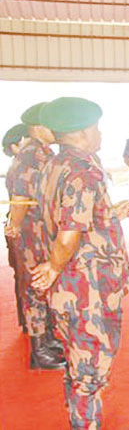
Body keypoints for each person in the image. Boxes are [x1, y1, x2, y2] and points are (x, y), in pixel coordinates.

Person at [31, 97, 129, 430]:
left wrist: (109, 214)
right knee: (91, 368)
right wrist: (54, 265)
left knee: (77, 361)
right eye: (96, 127)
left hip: (72, 287)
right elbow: (68, 236)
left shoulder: (56, 164)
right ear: (81, 132)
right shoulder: (82, 170)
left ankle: (78, 414)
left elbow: (72, 216)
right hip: (88, 289)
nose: (100, 133)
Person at [5, 103, 65, 370]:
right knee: (35, 288)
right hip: (33, 236)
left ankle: (49, 340)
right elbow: (20, 198)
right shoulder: (30, 156)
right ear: (38, 128)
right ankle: (40, 351)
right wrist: (14, 228)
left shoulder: (42, 153)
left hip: (44, 233)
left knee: (44, 286)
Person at [2, 123, 29, 332]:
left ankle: (29, 323)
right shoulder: (20, 168)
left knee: (23, 276)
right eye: (26, 140)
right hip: (22, 230)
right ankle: (30, 325)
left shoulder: (20, 165)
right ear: (14, 147)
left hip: (24, 229)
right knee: (23, 276)